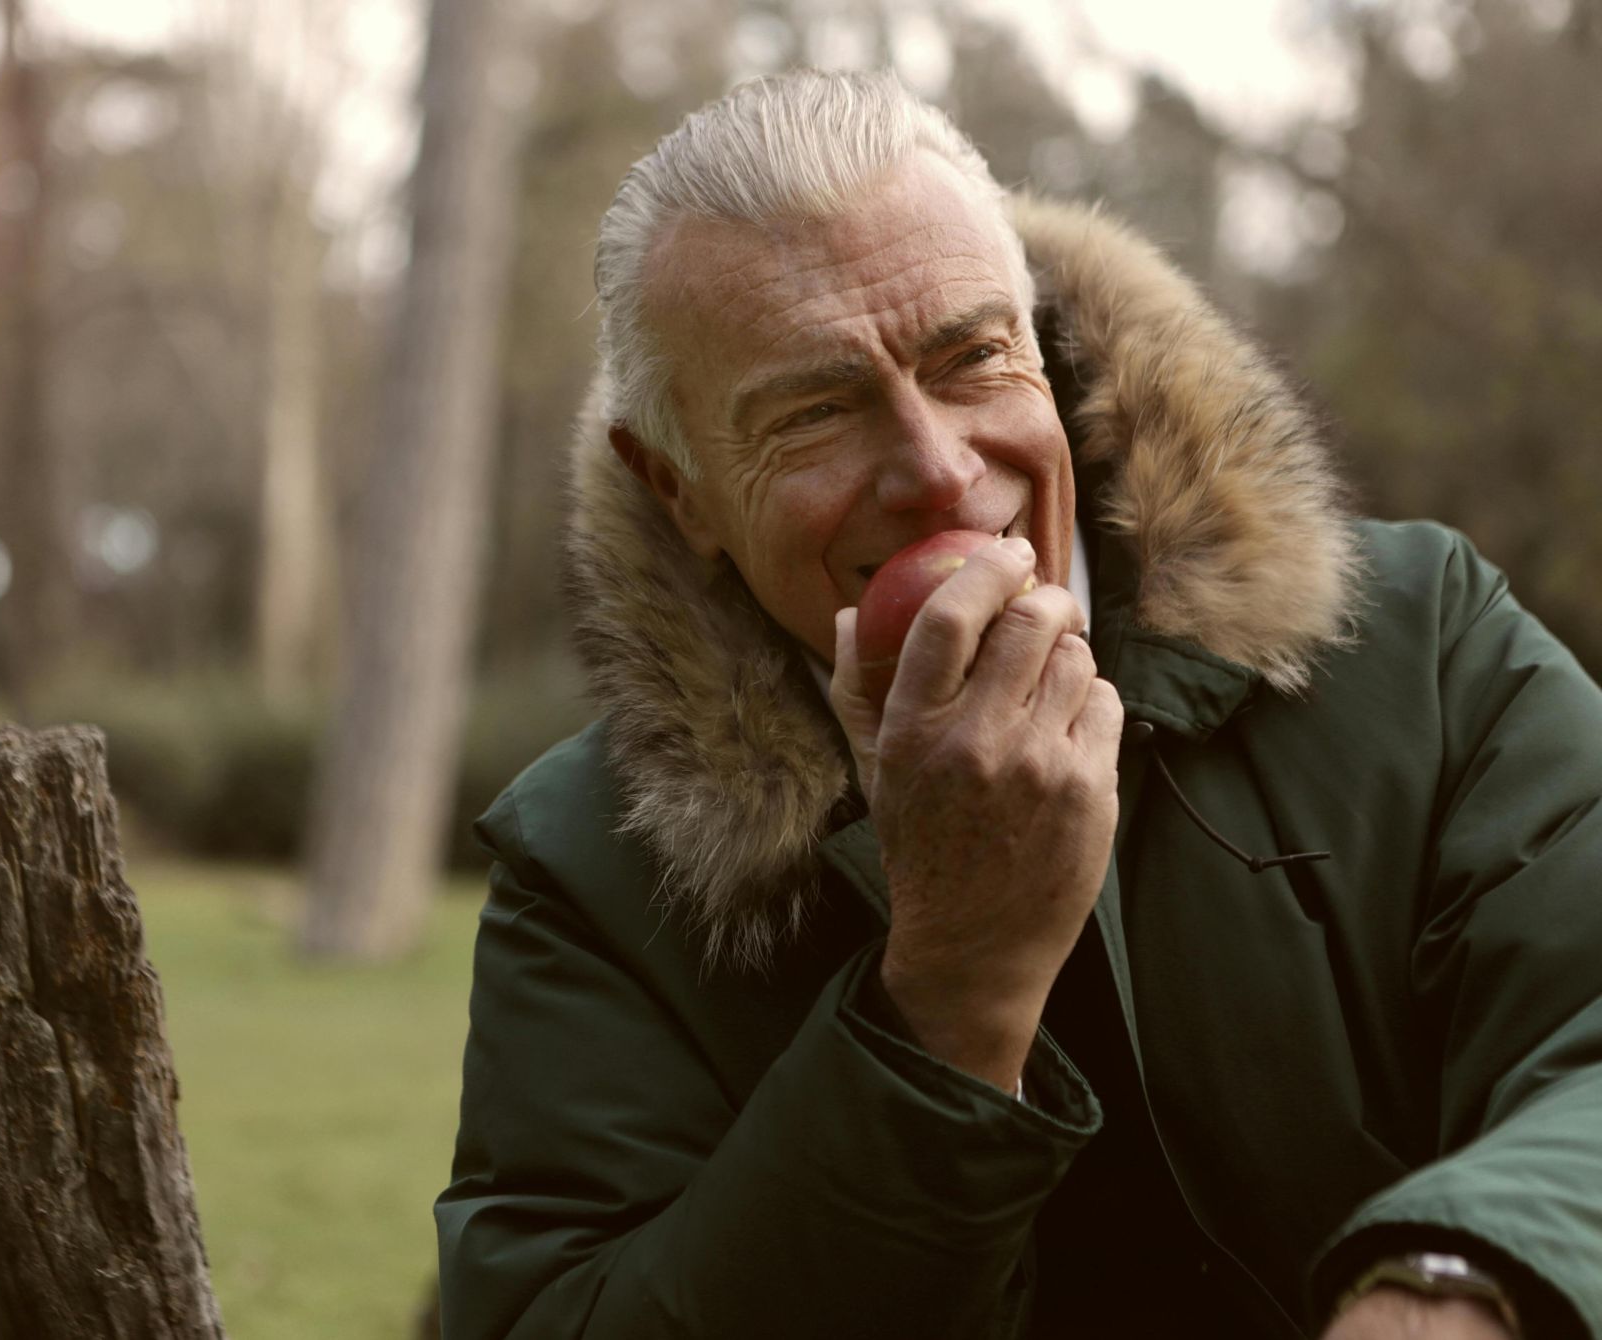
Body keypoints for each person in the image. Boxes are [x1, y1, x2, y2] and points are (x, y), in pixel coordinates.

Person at [434, 69, 1602, 1338]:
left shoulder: (1419, 643)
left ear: (1040, 346)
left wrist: (1458, 1282)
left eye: (971, 357)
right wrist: (948, 988)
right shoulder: (593, 871)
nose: (938, 469)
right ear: (681, 491)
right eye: (817, 411)